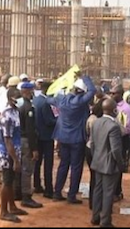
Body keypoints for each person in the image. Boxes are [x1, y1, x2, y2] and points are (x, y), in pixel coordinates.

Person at [47, 75, 97, 203]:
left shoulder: (61, 100)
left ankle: (57, 192)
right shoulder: (79, 102)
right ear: (81, 91)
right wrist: (85, 77)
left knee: (63, 165)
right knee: (76, 167)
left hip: (63, 137)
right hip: (77, 139)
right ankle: (71, 195)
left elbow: (49, 98)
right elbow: (92, 90)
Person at [89, 99, 125, 228]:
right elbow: (115, 149)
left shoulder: (96, 122)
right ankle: (105, 221)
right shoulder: (114, 126)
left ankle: (95, 217)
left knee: (97, 190)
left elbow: (92, 144)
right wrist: (121, 164)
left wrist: (96, 157)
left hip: (98, 161)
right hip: (109, 164)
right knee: (108, 193)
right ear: (114, 110)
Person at [0, 87, 27, 222]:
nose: (20, 98)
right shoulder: (7, 115)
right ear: (11, 98)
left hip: (13, 150)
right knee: (7, 181)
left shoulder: (15, 111)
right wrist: (15, 160)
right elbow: (7, 139)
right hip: (7, 153)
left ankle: (12, 206)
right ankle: (3, 211)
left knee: (11, 180)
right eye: (18, 96)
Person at [15, 82, 42, 208]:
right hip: (26, 140)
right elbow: (30, 130)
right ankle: (26, 196)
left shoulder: (18, 105)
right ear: (27, 91)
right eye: (32, 91)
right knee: (27, 169)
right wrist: (34, 148)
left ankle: (17, 192)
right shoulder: (28, 107)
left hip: (18, 140)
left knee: (19, 168)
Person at [32, 78, 57, 198]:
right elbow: (48, 121)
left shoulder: (36, 100)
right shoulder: (45, 103)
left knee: (37, 162)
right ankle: (48, 189)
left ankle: (37, 185)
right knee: (48, 164)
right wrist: (58, 120)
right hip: (47, 136)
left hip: (37, 135)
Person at [112, 85, 130, 201]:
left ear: (120, 94)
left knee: (118, 165)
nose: (112, 95)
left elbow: (127, 128)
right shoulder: (110, 105)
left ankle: (117, 191)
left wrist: (116, 131)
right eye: (111, 93)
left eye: (114, 93)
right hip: (111, 139)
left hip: (121, 139)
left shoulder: (126, 108)